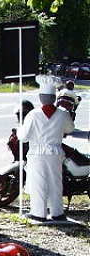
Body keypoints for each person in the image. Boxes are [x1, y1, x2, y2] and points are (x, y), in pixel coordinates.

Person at [18, 75, 75, 222]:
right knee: (56, 183)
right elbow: (70, 129)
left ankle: (39, 212)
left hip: (37, 153)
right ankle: (57, 212)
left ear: (40, 97)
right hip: (55, 153)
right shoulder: (63, 114)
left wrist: (20, 128)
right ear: (54, 97)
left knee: (38, 183)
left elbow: (23, 136)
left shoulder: (33, 114)